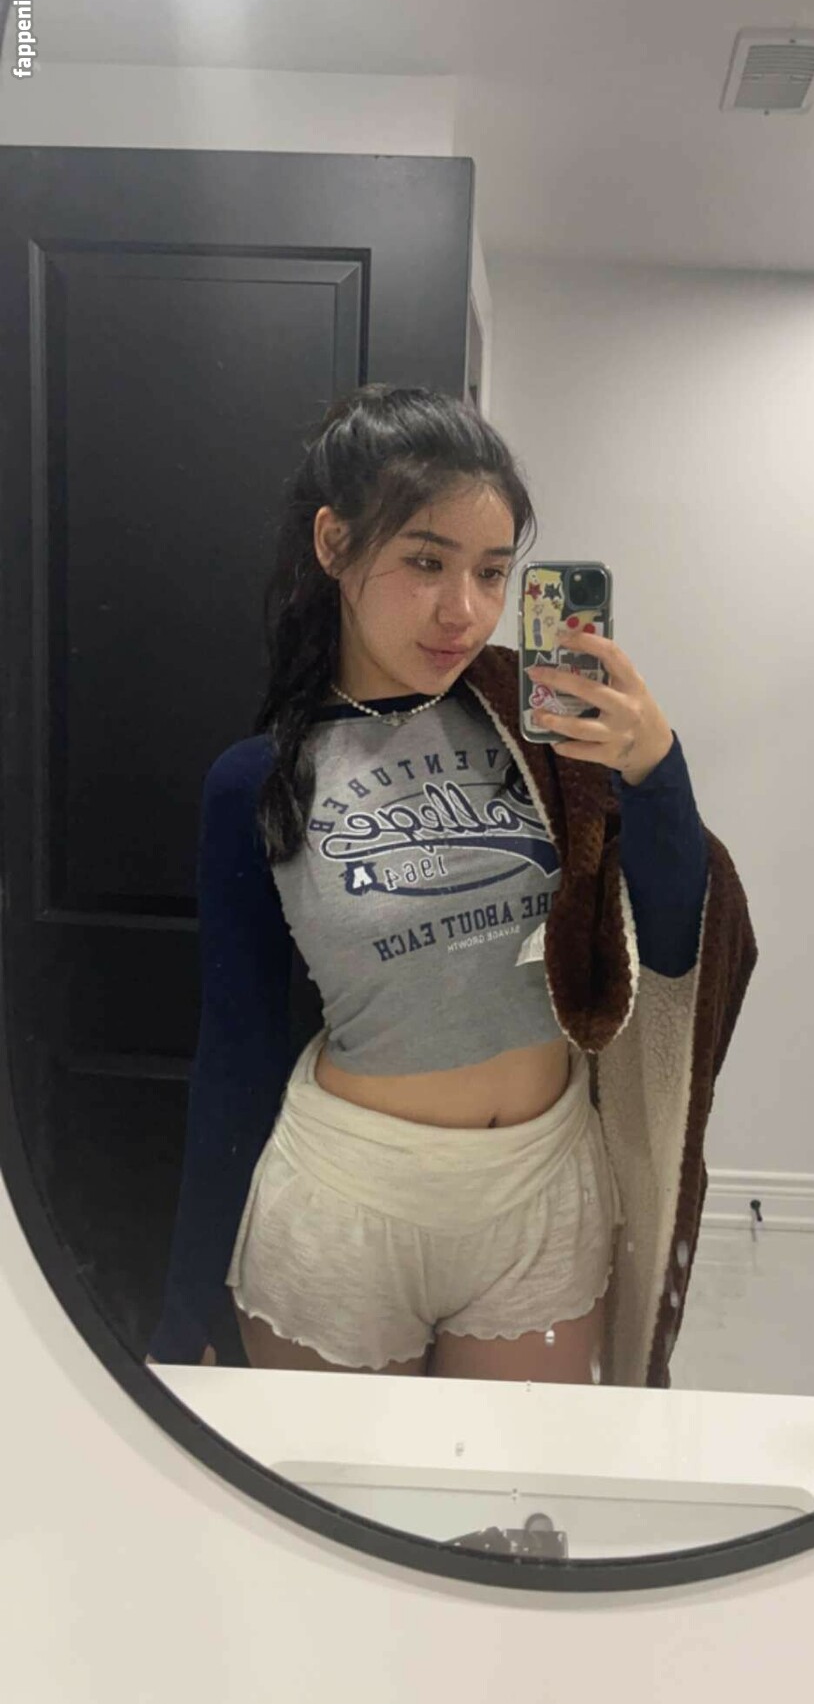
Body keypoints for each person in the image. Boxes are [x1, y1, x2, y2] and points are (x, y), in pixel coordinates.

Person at [146, 384, 714, 1384]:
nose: (465, 611)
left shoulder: (541, 735)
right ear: (334, 544)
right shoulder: (259, 781)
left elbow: (671, 944)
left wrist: (655, 763)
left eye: (491, 572)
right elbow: (235, 1049)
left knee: (510, 1486)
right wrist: (187, 1298)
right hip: (348, 1200)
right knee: (334, 1486)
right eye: (424, 562)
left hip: (539, 1190)